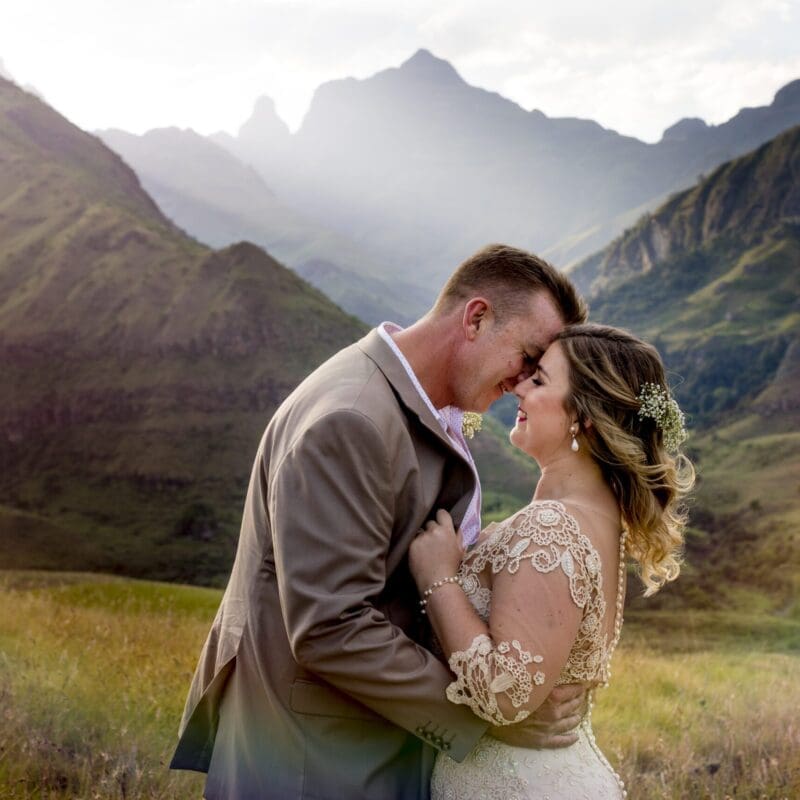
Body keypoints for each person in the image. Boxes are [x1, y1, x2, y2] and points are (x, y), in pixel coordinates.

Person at [170, 244, 589, 799]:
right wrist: (488, 713)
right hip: (310, 764)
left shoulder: (413, 402)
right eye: (527, 357)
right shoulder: (352, 420)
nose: (521, 384)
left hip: (359, 750)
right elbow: (331, 627)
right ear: (477, 317)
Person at [409, 323, 695, 799]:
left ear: (584, 416)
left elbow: (505, 695)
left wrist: (439, 579)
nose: (519, 386)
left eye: (539, 380)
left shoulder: (551, 529)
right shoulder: (599, 521)